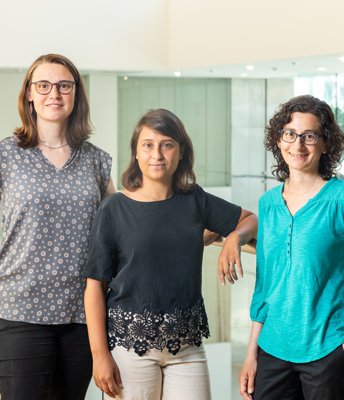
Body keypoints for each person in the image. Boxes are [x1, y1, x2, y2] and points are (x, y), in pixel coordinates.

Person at [0, 53, 114, 400]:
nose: (53, 94)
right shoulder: (3, 155)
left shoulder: (96, 161)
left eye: (63, 86)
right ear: (29, 93)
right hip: (18, 313)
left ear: (76, 95)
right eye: (43, 85)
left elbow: (116, 229)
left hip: (81, 314)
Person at [83, 108, 257, 400]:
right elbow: (94, 287)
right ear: (136, 154)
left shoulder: (195, 200)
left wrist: (233, 239)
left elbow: (250, 219)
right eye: (148, 145)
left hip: (186, 348)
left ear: (180, 153)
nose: (157, 154)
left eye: (167, 145)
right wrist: (100, 355)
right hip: (130, 349)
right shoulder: (113, 208)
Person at [238, 95, 344, 400]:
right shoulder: (267, 204)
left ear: (325, 143)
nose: (298, 145)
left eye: (309, 136)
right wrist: (251, 355)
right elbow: (264, 287)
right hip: (272, 350)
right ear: (279, 140)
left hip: (329, 350)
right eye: (290, 134)